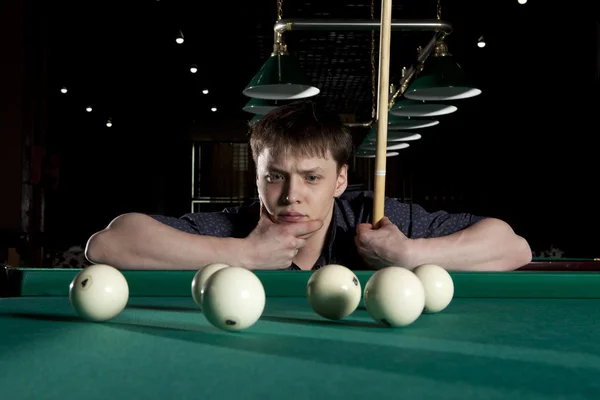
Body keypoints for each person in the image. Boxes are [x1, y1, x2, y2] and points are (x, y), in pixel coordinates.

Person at [85, 100, 532, 272]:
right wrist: (243, 254)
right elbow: (108, 243)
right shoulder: (233, 227)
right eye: (275, 176)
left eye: (312, 178)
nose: (290, 195)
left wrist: (412, 255)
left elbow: (513, 247)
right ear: (257, 177)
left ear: (341, 180)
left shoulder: (374, 218)